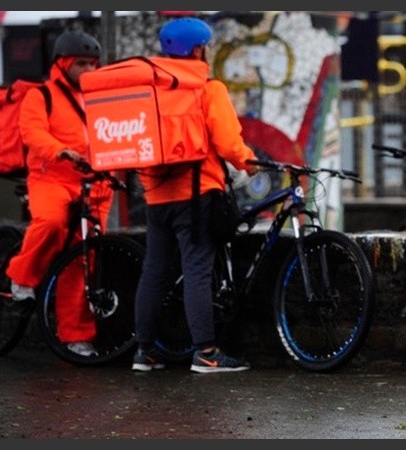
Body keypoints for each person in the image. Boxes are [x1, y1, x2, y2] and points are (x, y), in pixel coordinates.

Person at [131, 17, 257, 374]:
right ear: (199, 49)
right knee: (198, 270)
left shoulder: (150, 87)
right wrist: (248, 162)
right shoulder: (206, 87)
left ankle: (144, 351)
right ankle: (206, 352)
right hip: (197, 194)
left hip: (156, 195)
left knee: (154, 271)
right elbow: (227, 141)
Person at [6, 30, 110, 357]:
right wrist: (60, 151)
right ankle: (21, 277)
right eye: (81, 63)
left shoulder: (101, 98)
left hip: (94, 185)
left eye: (93, 64)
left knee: (84, 261)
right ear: (62, 64)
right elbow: (32, 131)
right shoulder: (42, 96)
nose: (88, 70)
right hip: (51, 177)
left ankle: (76, 336)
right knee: (50, 222)